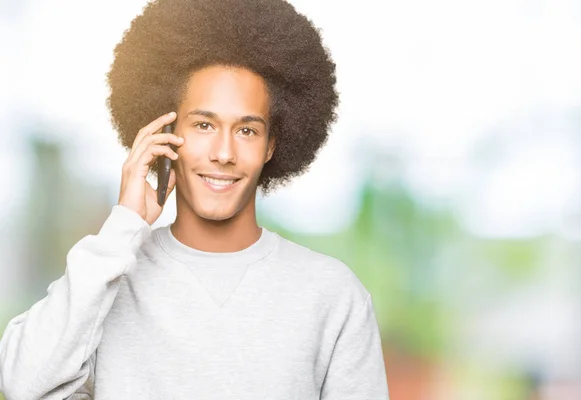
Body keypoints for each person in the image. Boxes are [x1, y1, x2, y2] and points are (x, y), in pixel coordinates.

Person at [0, 0, 390, 398]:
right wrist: (123, 225)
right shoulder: (107, 280)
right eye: (204, 125)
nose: (223, 152)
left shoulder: (332, 294)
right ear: (165, 132)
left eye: (247, 131)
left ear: (272, 145)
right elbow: (22, 385)